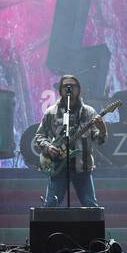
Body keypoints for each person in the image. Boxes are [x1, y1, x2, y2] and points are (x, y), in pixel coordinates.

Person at [34, 74, 107, 208]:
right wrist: (48, 147)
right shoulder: (51, 112)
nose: (69, 88)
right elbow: (39, 136)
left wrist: (102, 130)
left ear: (78, 89)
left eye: (72, 86)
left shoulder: (89, 112)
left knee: (91, 205)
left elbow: (99, 140)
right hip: (58, 166)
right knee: (50, 205)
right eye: (65, 86)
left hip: (82, 166)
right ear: (60, 90)